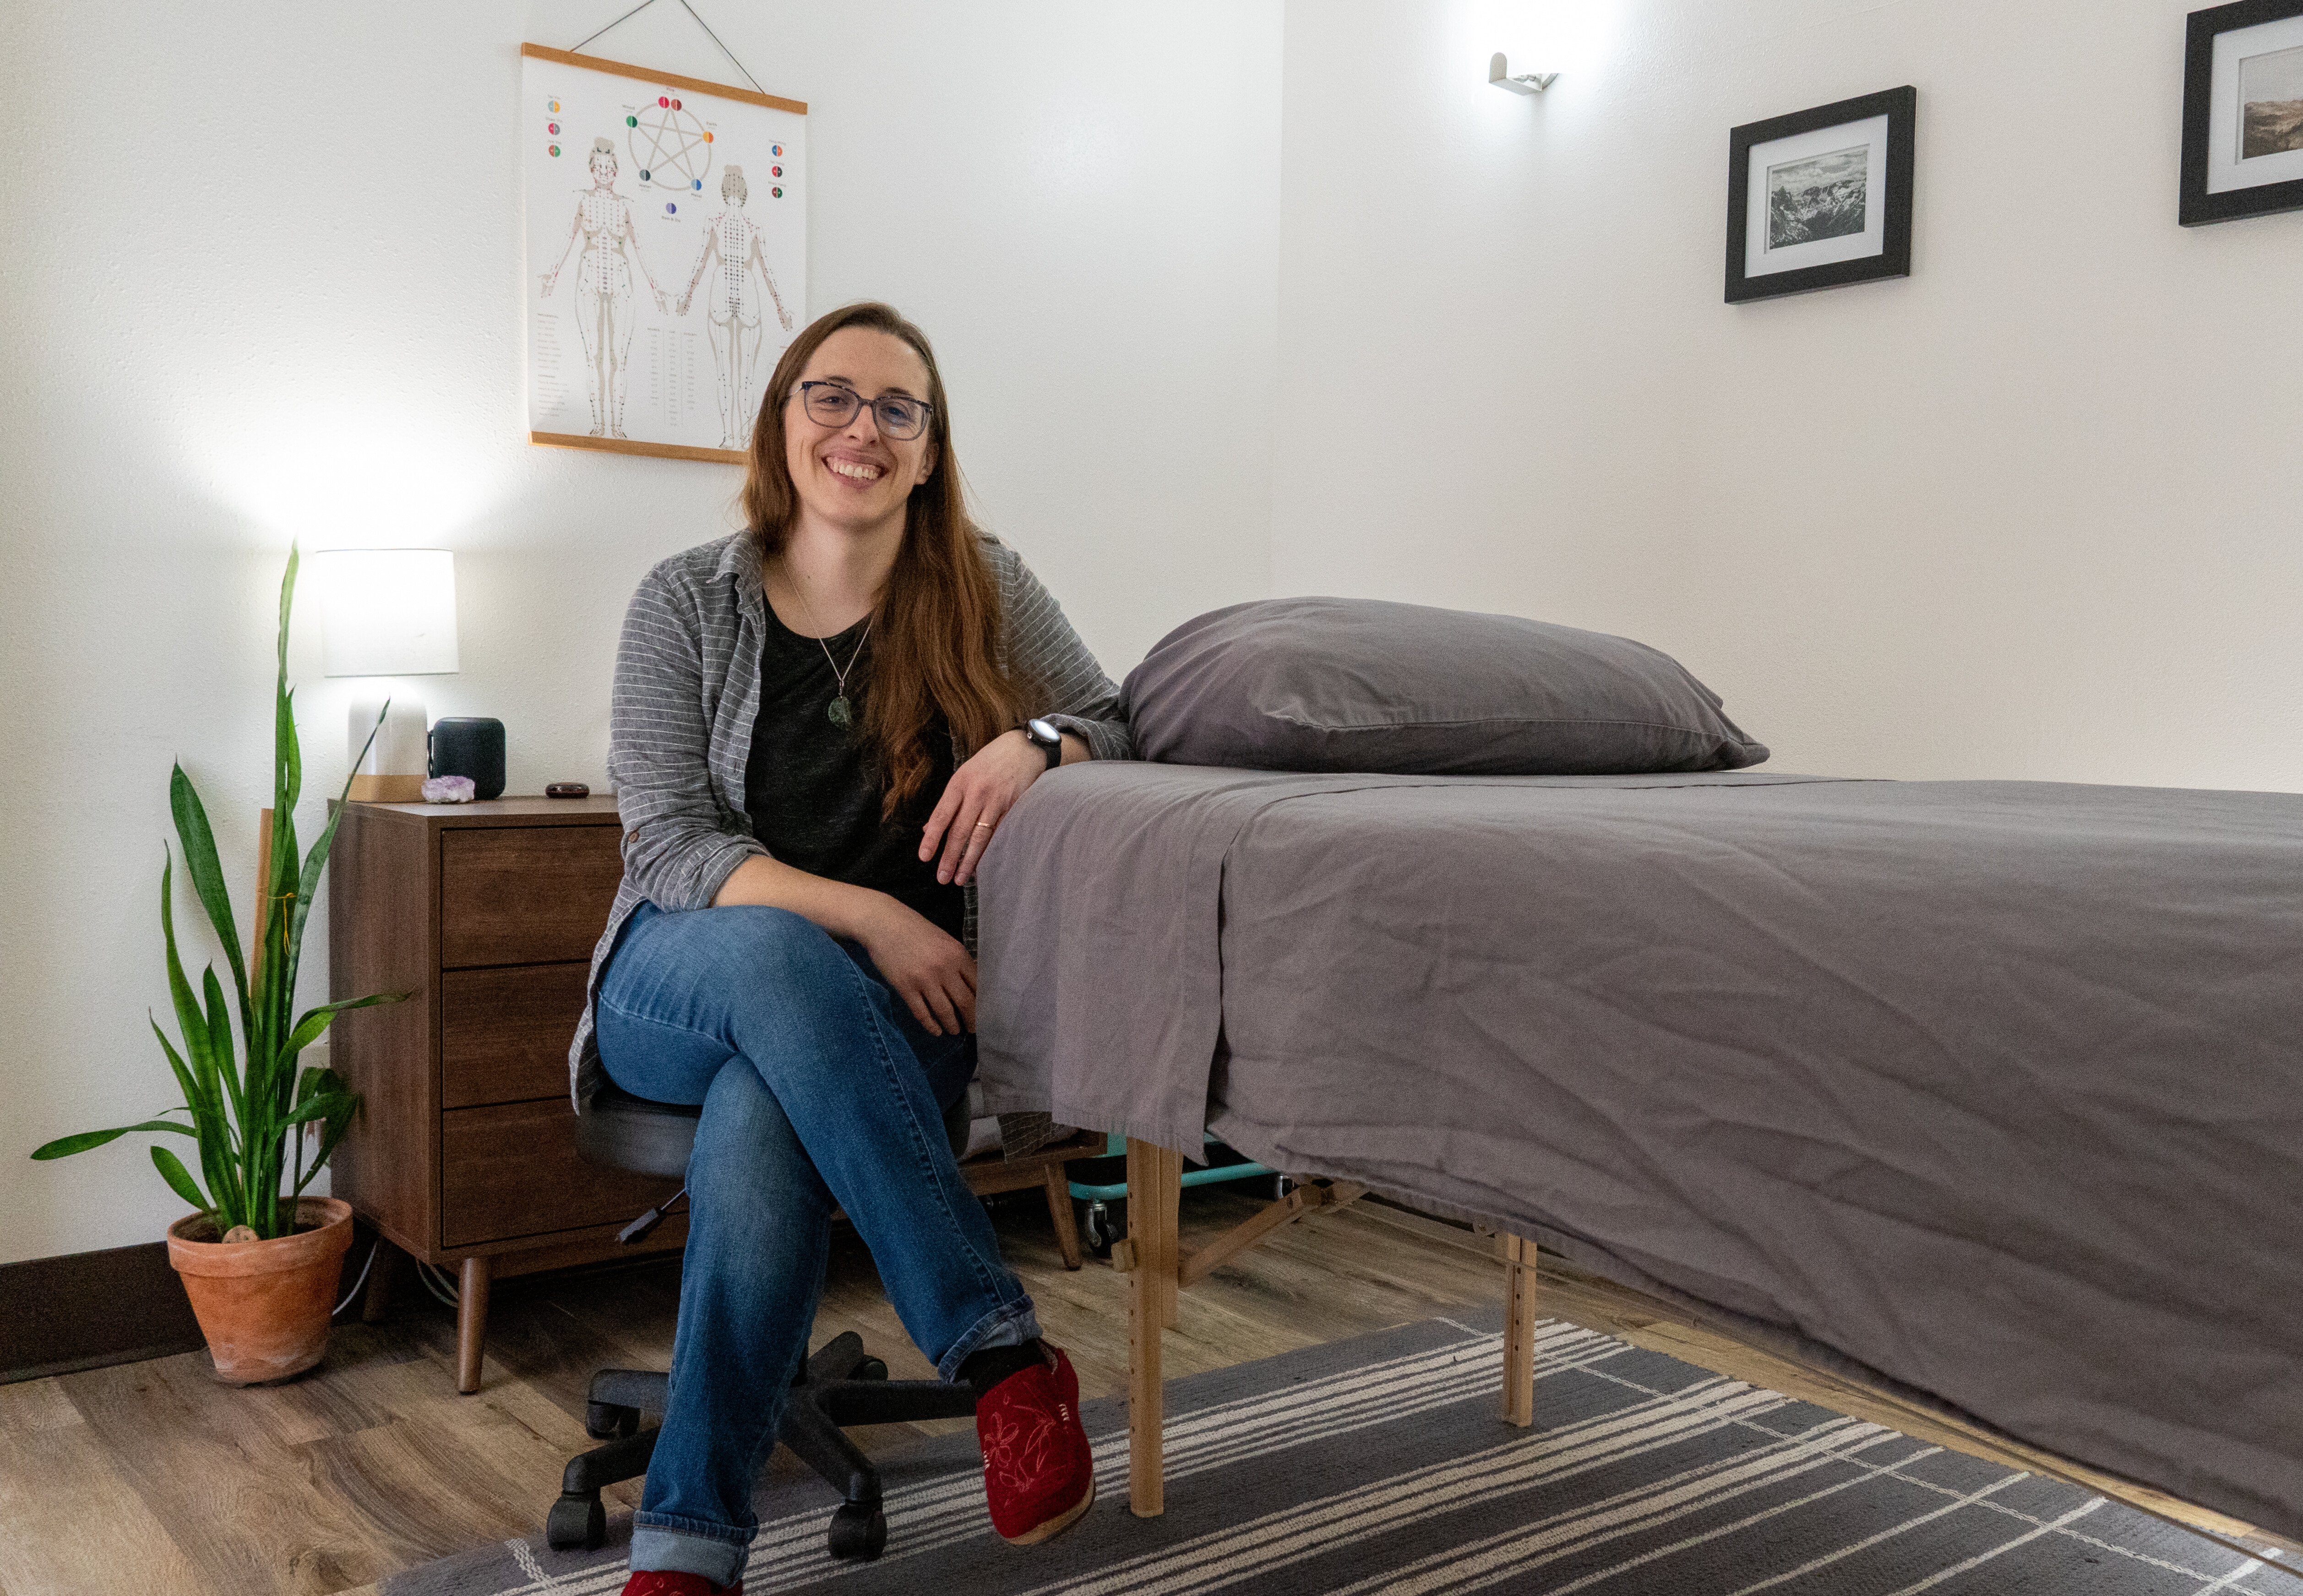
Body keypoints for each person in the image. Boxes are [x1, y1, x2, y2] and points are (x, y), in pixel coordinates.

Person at [571, 300, 1128, 1596]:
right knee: (779, 956)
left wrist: (1034, 741)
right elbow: (664, 845)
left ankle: (685, 1547)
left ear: (928, 451)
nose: (859, 428)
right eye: (830, 396)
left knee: (764, 1120)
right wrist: (874, 912)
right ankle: (999, 1355)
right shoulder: (682, 602)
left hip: (877, 1028)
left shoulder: (983, 591)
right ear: (783, 420)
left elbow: (1119, 712)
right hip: (681, 975)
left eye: (896, 408)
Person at [540, 137, 670, 438]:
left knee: (618, 357)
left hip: (621, 278)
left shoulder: (626, 205)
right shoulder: (582, 200)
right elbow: (567, 237)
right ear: (591, 169)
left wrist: (656, 287)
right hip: (589, 278)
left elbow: (641, 247)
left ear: (616, 171)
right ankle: (599, 423)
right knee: (592, 356)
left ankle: (619, 425)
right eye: (599, 167)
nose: (604, 172)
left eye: (609, 167)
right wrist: (551, 274)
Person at [676, 165, 795, 449]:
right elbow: (704, 261)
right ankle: (734, 436)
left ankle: (737, 436)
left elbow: (764, 269)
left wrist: (781, 308)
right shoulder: (723, 223)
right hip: (734, 291)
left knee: (736, 374)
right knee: (736, 374)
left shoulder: (741, 226)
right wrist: (688, 295)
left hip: (738, 292)